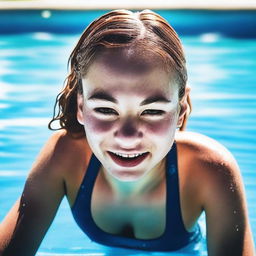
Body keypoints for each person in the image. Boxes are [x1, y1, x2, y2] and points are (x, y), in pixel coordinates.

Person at [0, 9, 254, 256]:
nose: (127, 136)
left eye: (152, 111)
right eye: (105, 109)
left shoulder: (209, 169)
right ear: (80, 106)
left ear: (182, 107)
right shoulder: (65, 157)